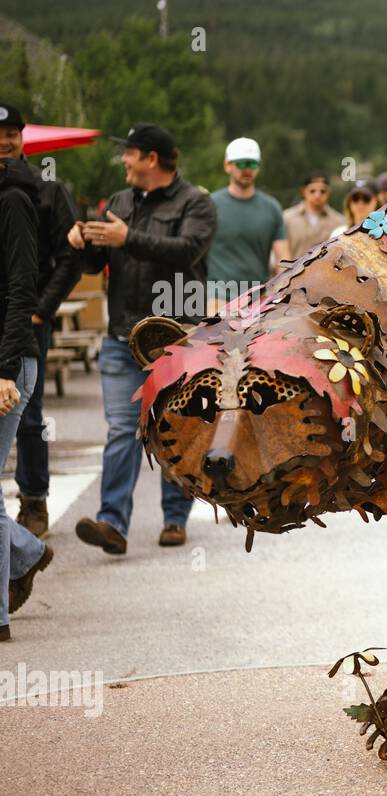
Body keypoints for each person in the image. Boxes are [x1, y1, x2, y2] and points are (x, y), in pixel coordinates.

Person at [67, 123, 216, 554]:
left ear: (151, 158)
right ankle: (111, 523)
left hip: (175, 337)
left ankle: (175, 517)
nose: (123, 161)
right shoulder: (119, 201)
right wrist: (84, 242)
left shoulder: (197, 203)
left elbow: (186, 251)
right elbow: (98, 263)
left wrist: (127, 238)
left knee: (175, 428)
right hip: (120, 338)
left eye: (129, 153)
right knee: (122, 430)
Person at [0, 102, 80, 540]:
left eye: (11, 133)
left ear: (22, 137)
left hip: (29, 315)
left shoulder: (47, 188)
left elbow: (70, 259)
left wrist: (40, 309)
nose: (4, 141)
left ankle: (33, 501)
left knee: (28, 412)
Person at [0, 152, 53, 641]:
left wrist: (5, 370)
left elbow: (21, 287)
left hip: (9, 364)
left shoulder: (13, 200)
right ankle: (26, 552)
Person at [205, 137, 288, 312]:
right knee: (213, 340)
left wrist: (286, 295)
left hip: (258, 299)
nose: (248, 169)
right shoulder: (210, 205)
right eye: (242, 164)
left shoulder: (272, 208)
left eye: (253, 164)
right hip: (218, 297)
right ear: (228, 165)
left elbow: (284, 261)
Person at [282, 172, 342, 259]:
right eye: (312, 191)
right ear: (303, 191)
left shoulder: (339, 221)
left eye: (322, 191)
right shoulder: (287, 218)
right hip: (293, 271)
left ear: (329, 192)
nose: (317, 195)